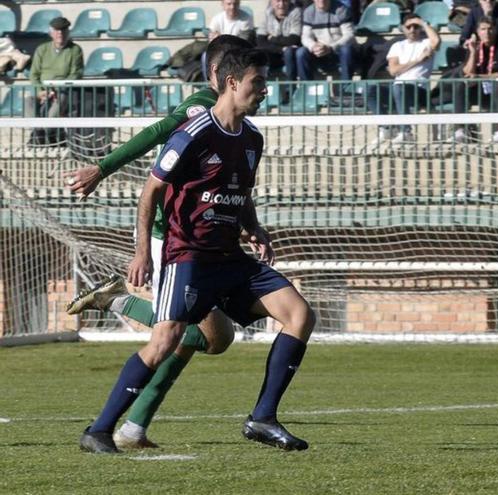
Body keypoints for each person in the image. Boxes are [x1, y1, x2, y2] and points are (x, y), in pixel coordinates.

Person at [80, 48, 317, 455]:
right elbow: (151, 190)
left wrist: (253, 227)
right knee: (165, 341)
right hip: (188, 256)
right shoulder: (194, 132)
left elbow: (239, 193)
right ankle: (100, 429)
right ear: (231, 83)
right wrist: (143, 253)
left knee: (299, 315)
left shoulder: (252, 138)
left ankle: (262, 418)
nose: (265, 90)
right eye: (257, 82)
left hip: (232, 259)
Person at [65, 35, 254, 450]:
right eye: (252, 78)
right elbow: (158, 132)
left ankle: (133, 428)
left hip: (202, 240)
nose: (259, 88)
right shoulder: (201, 108)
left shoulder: (239, 121)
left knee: (211, 338)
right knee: (184, 334)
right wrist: (102, 167)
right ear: (223, 76)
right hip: (173, 240)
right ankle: (116, 306)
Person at [371, 14, 439, 144]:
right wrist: (418, 60)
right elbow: (393, 70)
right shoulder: (397, 45)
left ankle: (406, 132)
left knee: (399, 87)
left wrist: (423, 22)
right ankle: (386, 128)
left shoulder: (426, 43)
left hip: (418, 90)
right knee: (370, 91)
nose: (412, 29)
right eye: (409, 26)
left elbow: (436, 41)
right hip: (399, 89)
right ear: (403, 28)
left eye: (416, 26)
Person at [450, 17, 498, 143]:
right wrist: (473, 53)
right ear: (478, 32)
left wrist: (479, 77)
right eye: (483, 29)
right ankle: (460, 130)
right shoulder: (475, 46)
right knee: (460, 85)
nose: (487, 32)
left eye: (490, 29)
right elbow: (467, 74)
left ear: (495, 30)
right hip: (479, 91)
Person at [26, 16, 83, 144]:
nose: (60, 33)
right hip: (43, 91)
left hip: (63, 90)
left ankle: (47, 131)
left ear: (68, 32)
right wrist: (41, 91)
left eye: (63, 30)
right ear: (51, 32)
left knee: (61, 100)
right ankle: (38, 132)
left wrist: (56, 89)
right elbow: (34, 74)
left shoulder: (75, 50)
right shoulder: (42, 49)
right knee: (29, 101)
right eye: (57, 30)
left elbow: (76, 74)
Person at [297, 0, 356, 81]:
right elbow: (305, 37)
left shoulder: (341, 9)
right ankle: (306, 88)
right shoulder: (308, 12)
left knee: (346, 50)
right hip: (319, 52)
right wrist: (313, 46)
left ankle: (346, 88)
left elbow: (349, 35)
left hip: (337, 51)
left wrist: (331, 48)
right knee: (301, 52)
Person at [256, 0, 303, 80]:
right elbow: (261, 41)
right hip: (274, 53)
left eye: (285, 1)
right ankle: (263, 86)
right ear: (272, 2)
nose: (281, 4)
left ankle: (291, 88)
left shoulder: (296, 12)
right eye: (278, 1)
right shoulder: (267, 13)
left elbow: (293, 39)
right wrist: (281, 49)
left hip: (291, 55)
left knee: (289, 51)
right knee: (258, 52)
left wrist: (272, 38)